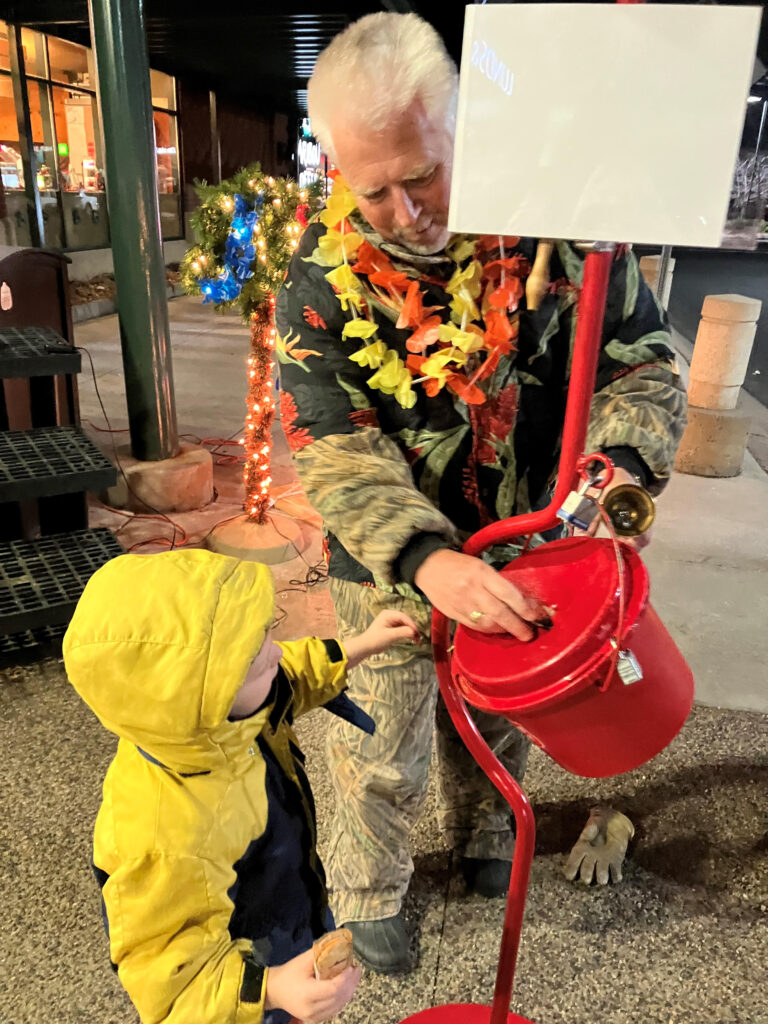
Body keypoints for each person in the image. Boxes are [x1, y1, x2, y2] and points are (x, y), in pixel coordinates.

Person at [275, 12, 687, 973]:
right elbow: (330, 442)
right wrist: (426, 560)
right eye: (371, 189)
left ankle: (491, 826)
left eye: (422, 175)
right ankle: (371, 886)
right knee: (380, 729)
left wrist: (618, 469)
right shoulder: (318, 279)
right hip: (388, 554)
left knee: (505, 702)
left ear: (467, 127)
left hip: (529, 528)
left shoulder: (559, 234)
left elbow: (646, 365)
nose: (404, 210)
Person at [63, 548, 419, 1023]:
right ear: (198, 700)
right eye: (253, 659)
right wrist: (270, 989)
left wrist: (361, 645)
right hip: (242, 990)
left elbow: (286, 672)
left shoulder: (226, 711)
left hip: (287, 912)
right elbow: (175, 985)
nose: (275, 650)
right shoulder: (160, 835)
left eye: (264, 635)